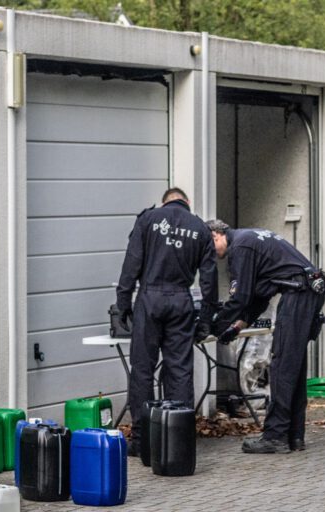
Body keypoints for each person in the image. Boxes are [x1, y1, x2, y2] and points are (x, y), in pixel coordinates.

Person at [207, 220, 325, 454]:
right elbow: (259, 296)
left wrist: (213, 326)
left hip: (298, 294)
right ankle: (294, 435)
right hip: (307, 290)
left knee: (282, 365)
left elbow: (240, 298)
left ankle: (275, 436)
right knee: (294, 366)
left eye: (208, 248)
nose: (210, 255)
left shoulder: (239, 248)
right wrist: (237, 327)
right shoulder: (250, 237)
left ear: (215, 235)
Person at [116, 187, 218, 456]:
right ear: (187, 202)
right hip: (181, 301)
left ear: (166, 201)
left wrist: (123, 304)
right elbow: (209, 280)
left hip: (149, 300)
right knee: (180, 371)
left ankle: (141, 440)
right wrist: (206, 319)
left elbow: (131, 264)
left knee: (142, 370)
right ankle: (179, 440)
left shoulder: (148, 220)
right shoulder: (200, 228)